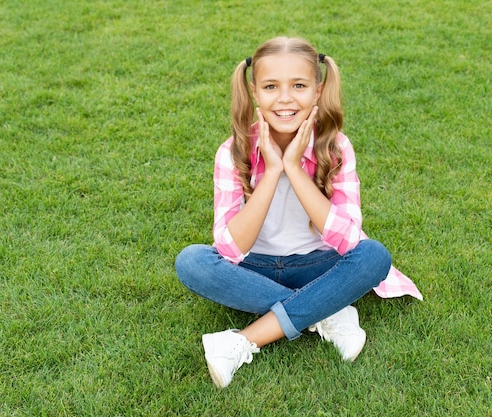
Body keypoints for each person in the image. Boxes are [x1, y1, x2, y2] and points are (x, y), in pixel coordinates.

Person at [175, 36, 421, 389]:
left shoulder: (336, 148)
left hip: (317, 265)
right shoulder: (232, 152)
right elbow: (229, 249)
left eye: (299, 86)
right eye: (271, 86)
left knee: (373, 257)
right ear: (255, 92)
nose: (286, 98)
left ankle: (241, 341)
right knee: (191, 261)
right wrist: (272, 171)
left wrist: (293, 166)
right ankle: (324, 310)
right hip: (252, 267)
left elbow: (350, 241)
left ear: (318, 91)